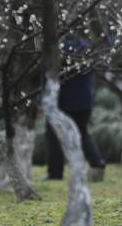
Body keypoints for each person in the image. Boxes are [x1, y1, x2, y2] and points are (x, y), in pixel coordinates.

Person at [45, 37, 106, 182]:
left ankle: (55, 172)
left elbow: (52, 74)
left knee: (53, 136)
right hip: (85, 100)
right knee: (82, 133)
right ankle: (97, 162)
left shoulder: (60, 48)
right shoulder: (86, 47)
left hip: (64, 101)